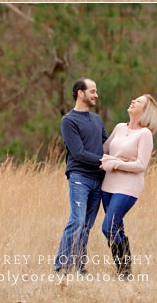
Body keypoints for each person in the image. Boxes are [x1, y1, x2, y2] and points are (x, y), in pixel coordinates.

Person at [100, 94, 157, 279]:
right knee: (117, 228)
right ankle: (124, 273)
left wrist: (116, 163)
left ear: (145, 110)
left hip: (128, 187)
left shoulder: (145, 134)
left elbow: (141, 165)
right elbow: (104, 150)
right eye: (134, 99)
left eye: (138, 101)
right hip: (108, 185)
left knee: (108, 227)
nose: (133, 101)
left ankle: (124, 268)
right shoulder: (119, 127)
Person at [55, 78, 108, 274]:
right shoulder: (69, 120)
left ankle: (78, 267)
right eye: (92, 91)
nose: (96, 95)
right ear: (80, 93)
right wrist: (104, 162)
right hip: (79, 177)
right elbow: (78, 153)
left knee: (86, 225)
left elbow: (107, 145)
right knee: (76, 221)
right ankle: (61, 267)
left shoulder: (97, 119)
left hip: (98, 179)